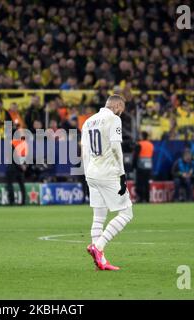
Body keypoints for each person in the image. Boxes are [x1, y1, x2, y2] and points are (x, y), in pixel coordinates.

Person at [81, 95, 133, 271]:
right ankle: (98, 246)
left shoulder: (88, 121)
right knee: (126, 213)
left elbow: (85, 151)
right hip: (108, 173)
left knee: (98, 217)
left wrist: (88, 175)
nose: (122, 113)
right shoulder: (113, 119)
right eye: (122, 109)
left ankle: (100, 261)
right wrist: (122, 173)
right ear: (117, 105)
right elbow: (115, 147)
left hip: (91, 173)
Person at [5, 135, 27, 206]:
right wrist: (24, 165)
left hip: (12, 167)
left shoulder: (11, 144)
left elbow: (13, 157)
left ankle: (12, 201)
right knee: (21, 185)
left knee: (10, 184)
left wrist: (21, 165)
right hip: (20, 168)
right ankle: (23, 201)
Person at [133, 131, 154, 203]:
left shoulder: (139, 144)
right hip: (148, 166)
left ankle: (140, 198)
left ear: (142, 136)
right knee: (146, 183)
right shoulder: (151, 145)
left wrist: (133, 166)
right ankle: (147, 199)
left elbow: (135, 156)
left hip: (140, 166)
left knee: (140, 183)